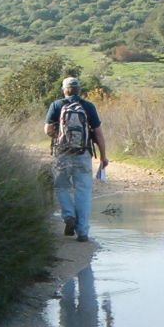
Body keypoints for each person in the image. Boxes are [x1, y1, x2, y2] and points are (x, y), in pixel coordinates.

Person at [44, 77, 109, 242]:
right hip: (83, 153)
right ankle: (82, 232)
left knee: (61, 187)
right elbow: (99, 134)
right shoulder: (88, 106)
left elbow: (47, 130)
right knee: (83, 192)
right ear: (79, 90)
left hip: (62, 153)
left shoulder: (56, 105)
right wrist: (103, 156)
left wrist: (58, 137)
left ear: (64, 90)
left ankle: (68, 216)